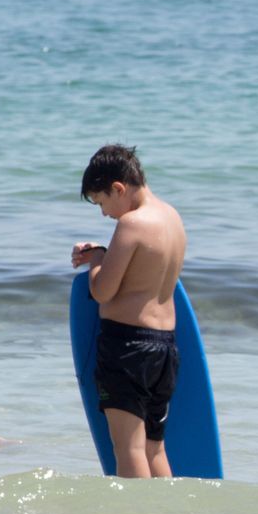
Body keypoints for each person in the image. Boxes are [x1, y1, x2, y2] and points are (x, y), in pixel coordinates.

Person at [70, 145, 186, 479]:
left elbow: (103, 290)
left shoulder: (132, 224)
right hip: (165, 349)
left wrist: (96, 260)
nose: (105, 214)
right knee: (154, 448)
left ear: (119, 188)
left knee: (129, 448)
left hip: (128, 348)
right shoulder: (172, 217)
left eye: (102, 203)